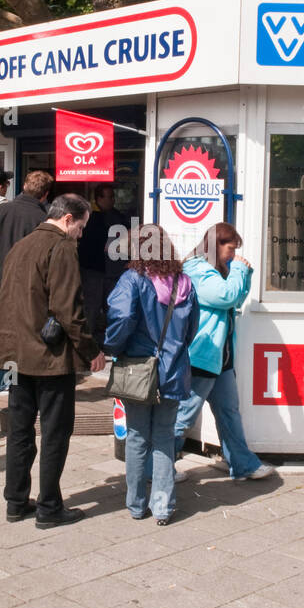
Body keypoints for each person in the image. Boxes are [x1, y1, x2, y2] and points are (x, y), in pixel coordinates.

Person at [0, 194, 105, 527]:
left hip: (15, 354)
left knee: (20, 431)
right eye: (81, 227)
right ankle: (49, 507)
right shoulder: (62, 247)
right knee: (55, 432)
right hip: (49, 357)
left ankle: (15, 500)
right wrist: (91, 350)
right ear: (68, 219)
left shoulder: (20, 245)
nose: (81, 234)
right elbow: (69, 309)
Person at [103, 225, 198, 525]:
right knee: (164, 438)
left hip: (138, 369)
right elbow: (190, 330)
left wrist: (112, 347)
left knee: (136, 436)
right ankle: (163, 506)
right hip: (173, 370)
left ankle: (135, 504)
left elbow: (121, 318)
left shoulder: (133, 280)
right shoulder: (185, 282)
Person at [173, 223, 276, 482]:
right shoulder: (196, 270)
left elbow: (236, 299)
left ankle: (243, 465)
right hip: (201, 355)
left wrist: (244, 274)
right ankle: (157, 466)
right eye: (230, 249)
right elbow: (225, 297)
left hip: (219, 357)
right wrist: (239, 269)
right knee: (183, 416)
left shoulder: (214, 270)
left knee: (229, 413)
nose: (232, 255)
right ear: (216, 244)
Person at [0, 170, 53, 426]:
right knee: (18, 342)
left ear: (24, 185)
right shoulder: (43, 218)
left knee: (2, 339)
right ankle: (3, 391)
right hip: (30, 289)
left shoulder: (1, 212)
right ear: (46, 194)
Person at [79, 183, 132, 340]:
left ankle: (111, 340)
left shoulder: (118, 217)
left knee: (112, 307)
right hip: (93, 270)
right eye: (110, 196)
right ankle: (88, 341)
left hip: (112, 271)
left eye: (114, 196)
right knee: (92, 308)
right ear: (99, 198)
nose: (113, 200)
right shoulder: (88, 218)